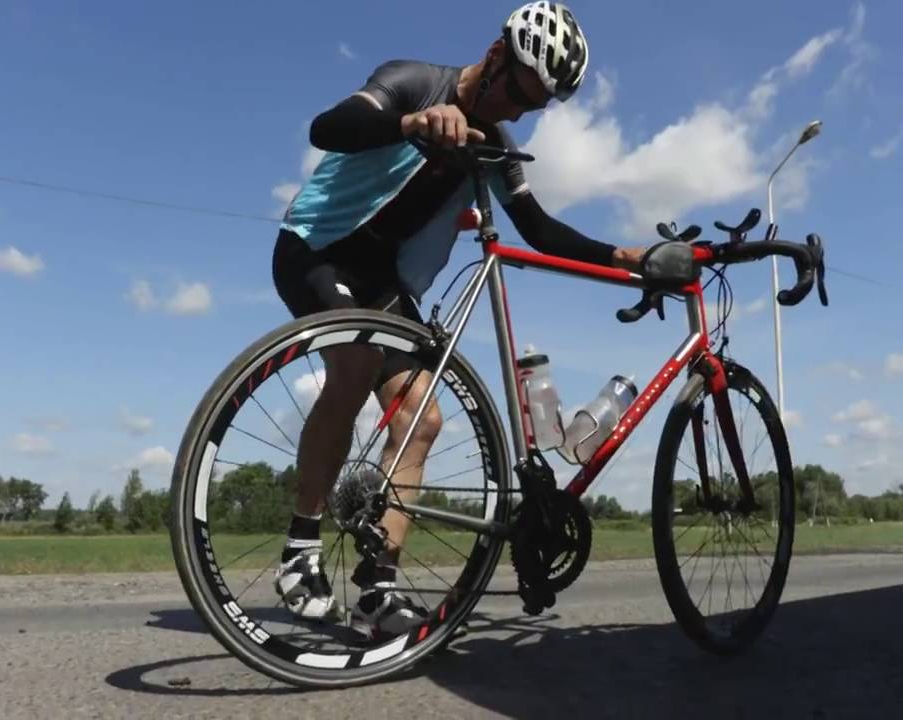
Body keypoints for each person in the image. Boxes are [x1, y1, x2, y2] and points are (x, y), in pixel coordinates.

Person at [270, 1, 647, 640]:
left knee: (422, 418)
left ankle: (377, 590)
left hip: (379, 280)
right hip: (316, 248)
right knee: (356, 364)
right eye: (517, 94)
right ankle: (301, 552)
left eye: (533, 107)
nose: (516, 113)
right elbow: (328, 128)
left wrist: (621, 256)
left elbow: (538, 229)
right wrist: (412, 122)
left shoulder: (494, 144)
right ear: (495, 56)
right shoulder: (415, 81)